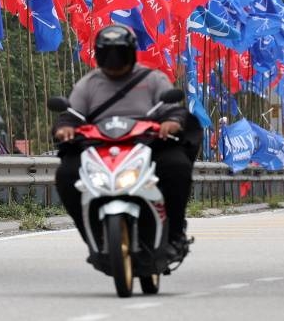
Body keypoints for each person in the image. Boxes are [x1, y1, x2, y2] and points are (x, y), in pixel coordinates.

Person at [53, 24, 195, 261]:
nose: (113, 59)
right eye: (107, 53)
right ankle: (93, 236)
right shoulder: (87, 84)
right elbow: (70, 114)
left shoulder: (153, 79)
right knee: (66, 174)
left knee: (177, 166)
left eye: (119, 53)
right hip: (99, 149)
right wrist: (65, 127)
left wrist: (171, 122)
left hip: (148, 145)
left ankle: (174, 234)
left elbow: (173, 111)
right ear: (98, 54)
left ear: (131, 52)